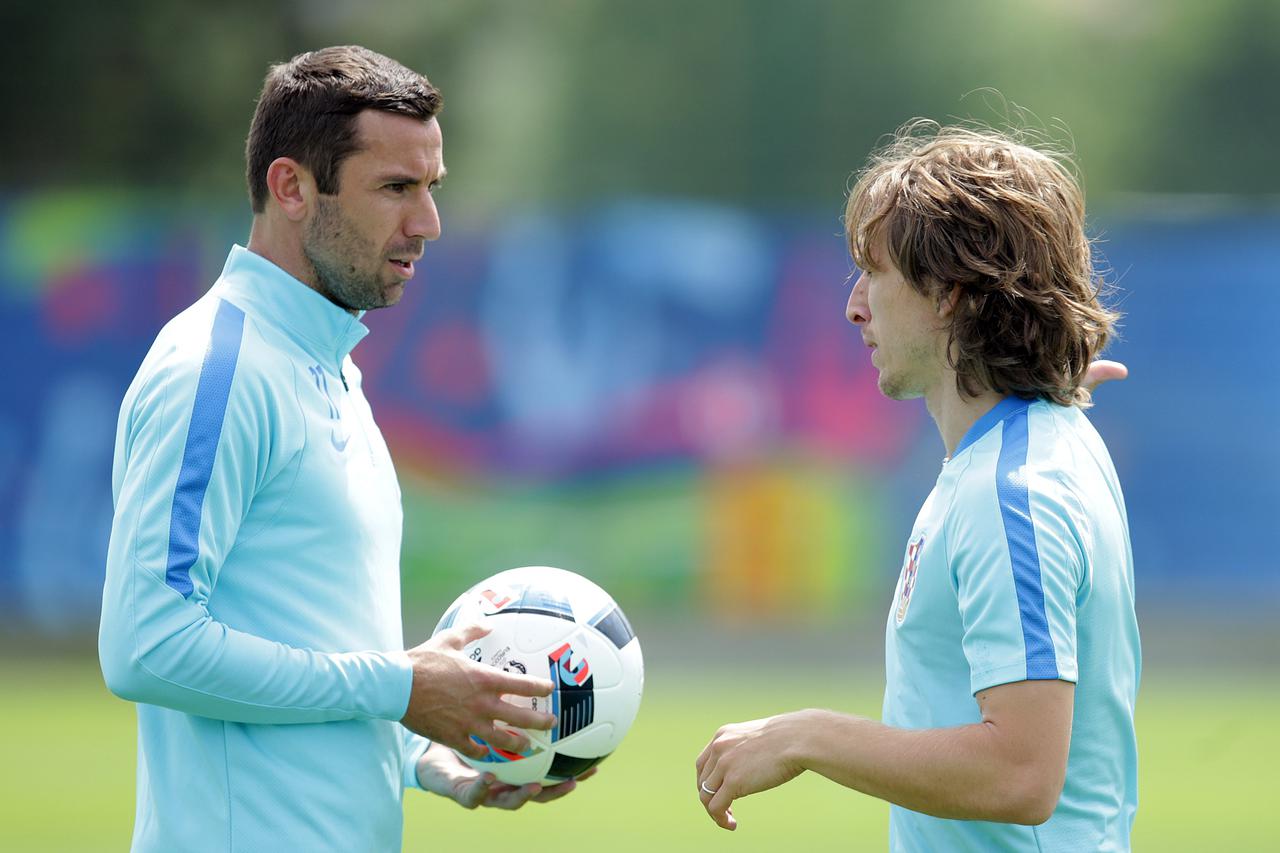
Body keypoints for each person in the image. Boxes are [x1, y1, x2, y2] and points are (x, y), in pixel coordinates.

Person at [99, 46, 586, 852]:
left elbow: (314, 656)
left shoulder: (329, 368)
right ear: (291, 186)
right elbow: (146, 644)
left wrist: (433, 761)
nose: (427, 222)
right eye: (397, 188)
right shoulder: (217, 370)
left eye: (432, 188)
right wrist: (403, 684)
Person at [695, 122, 1140, 850]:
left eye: (876, 273)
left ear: (950, 296)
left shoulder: (1012, 493)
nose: (855, 307)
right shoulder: (1034, 443)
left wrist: (808, 735)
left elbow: (1022, 773)